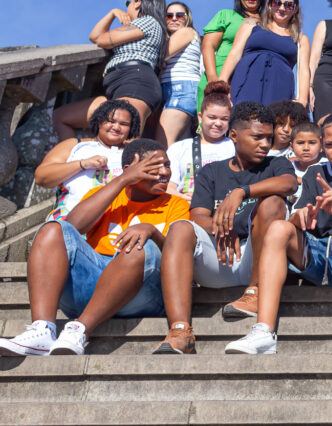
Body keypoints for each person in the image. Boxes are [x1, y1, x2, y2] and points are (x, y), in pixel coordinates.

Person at [0, 140, 189, 357]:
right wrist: (123, 180)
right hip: (92, 281)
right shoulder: (106, 193)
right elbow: (72, 227)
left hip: (141, 292)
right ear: (131, 169)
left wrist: (152, 232)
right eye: (154, 166)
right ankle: (42, 330)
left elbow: (177, 257)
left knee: (137, 246)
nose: (165, 172)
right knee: (53, 229)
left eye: (167, 165)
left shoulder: (177, 205)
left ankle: (79, 329)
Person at [224, 112, 332, 355]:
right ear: (323, 145)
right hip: (318, 252)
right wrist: (297, 218)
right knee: (280, 227)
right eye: (330, 145)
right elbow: (297, 213)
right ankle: (263, 331)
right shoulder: (314, 172)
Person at [152, 102, 297, 354]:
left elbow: (289, 184)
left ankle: (256, 291)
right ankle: (179, 330)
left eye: (268, 138)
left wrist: (242, 191)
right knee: (179, 228)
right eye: (257, 137)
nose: (265, 144)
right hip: (221, 255)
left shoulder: (276, 165)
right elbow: (198, 216)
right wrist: (220, 227)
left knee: (273, 202)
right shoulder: (212, 172)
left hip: (259, 261)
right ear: (234, 135)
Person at [53, 0, 168, 141]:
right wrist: (113, 13)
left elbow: (102, 39)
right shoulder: (141, 26)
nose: (127, 8)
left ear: (138, 3)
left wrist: (114, 13)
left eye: (129, 2)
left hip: (135, 83)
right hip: (119, 88)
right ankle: (74, 157)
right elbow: (94, 36)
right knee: (61, 117)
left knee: (127, 141)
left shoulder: (148, 21)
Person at [37, 99, 139, 222]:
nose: (116, 127)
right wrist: (82, 164)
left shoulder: (135, 154)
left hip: (114, 227)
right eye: (111, 121)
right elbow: (41, 178)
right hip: (68, 222)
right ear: (99, 121)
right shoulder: (75, 145)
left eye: (124, 124)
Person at [221, 0, 310, 107]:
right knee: (241, 119)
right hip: (247, 80)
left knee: (271, 122)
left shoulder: (301, 39)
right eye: (277, 3)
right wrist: (221, 83)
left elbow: (303, 71)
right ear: (269, 4)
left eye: (288, 5)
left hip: (279, 87)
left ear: (295, 9)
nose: (282, 8)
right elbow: (235, 53)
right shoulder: (252, 25)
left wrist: (302, 101)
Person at [199, 0, 268, 106]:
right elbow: (208, 46)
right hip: (219, 75)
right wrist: (214, 80)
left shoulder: (268, 25)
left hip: (249, 82)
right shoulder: (226, 15)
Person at [166, 82, 235, 202]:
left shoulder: (235, 147)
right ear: (200, 117)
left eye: (224, 119)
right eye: (212, 117)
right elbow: (168, 187)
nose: (218, 123)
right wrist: (182, 197)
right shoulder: (179, 148)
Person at [157, 1, 202, 147]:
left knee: (163, 144)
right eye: (169, 16)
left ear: (187, 18)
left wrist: (161, 61)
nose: (174, 18)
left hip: (181, 89)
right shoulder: (173, 38)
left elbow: (161, 54)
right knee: (180, 148)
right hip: (175, 90)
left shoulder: (186, 32)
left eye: (180, 15)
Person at [288, 122, 324, 205]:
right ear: (291, 146)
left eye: (312, 143)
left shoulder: (327, 167)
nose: (306, 148)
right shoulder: (287, 168)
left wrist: (299, 180)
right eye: (300, 143)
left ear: (321, 144)